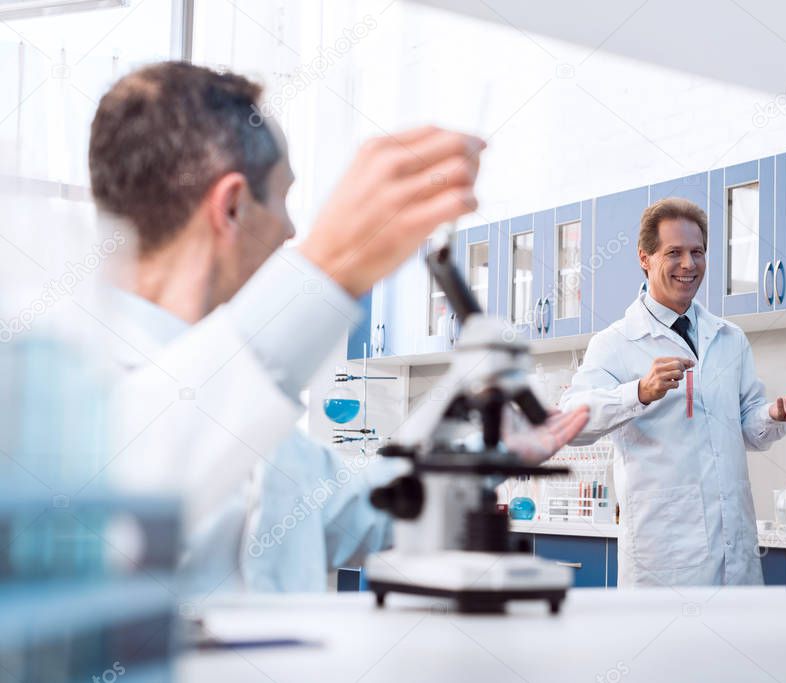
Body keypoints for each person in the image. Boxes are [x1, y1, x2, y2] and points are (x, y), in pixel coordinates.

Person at [87, 61, 586, 594]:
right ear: (232, 206)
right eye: (281, 198)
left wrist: (476, 459)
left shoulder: (264, 424)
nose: (292, 229)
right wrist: (330, 266)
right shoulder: (59, 389)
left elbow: (358, 508)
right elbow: (140, 493)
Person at [560, 197, 786, 587]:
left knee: (736, 646)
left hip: (737, 550)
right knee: (668, 648)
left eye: (697, 252)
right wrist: (639, 393)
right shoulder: (614, 343)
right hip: (663, 556)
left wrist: (774, 416)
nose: (689, 264)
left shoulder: (729, 338)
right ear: (644, 258)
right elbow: (571, 423)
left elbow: (748, 428)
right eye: (674, 253)